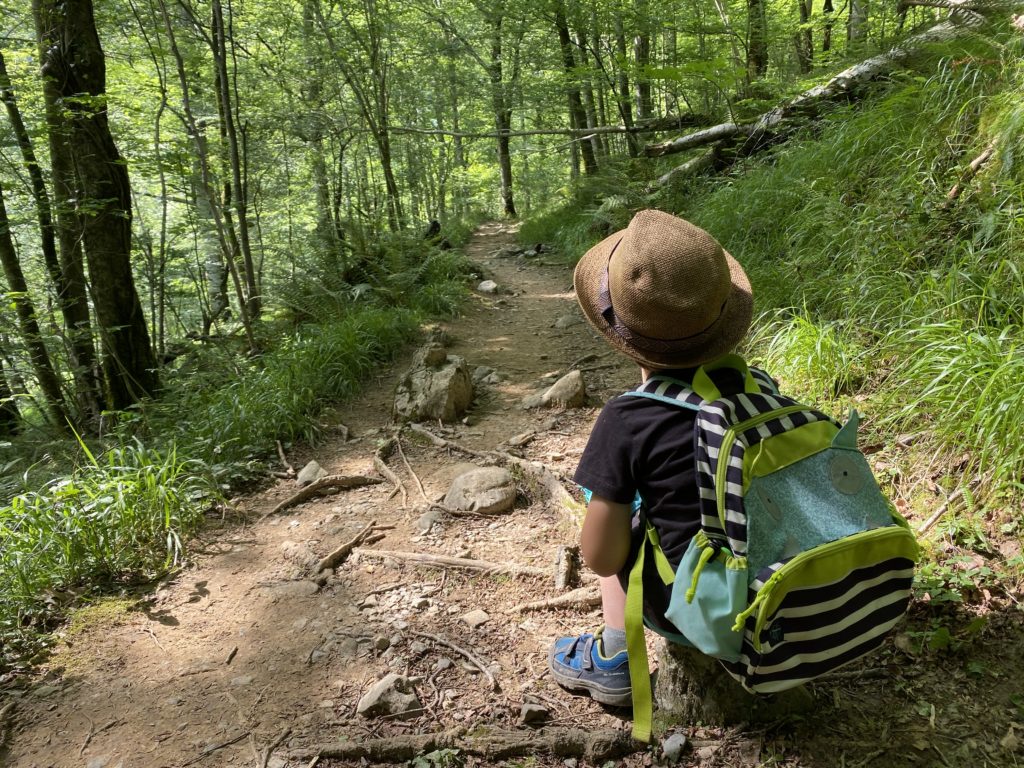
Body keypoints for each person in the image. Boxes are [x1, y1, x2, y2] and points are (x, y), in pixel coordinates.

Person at [548, 209, 754, 706]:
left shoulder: (627, 419)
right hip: (773, 580)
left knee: (624, 515)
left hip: (706, 605)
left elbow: (600, 558)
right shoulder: (753, 389)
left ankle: (617, 656)